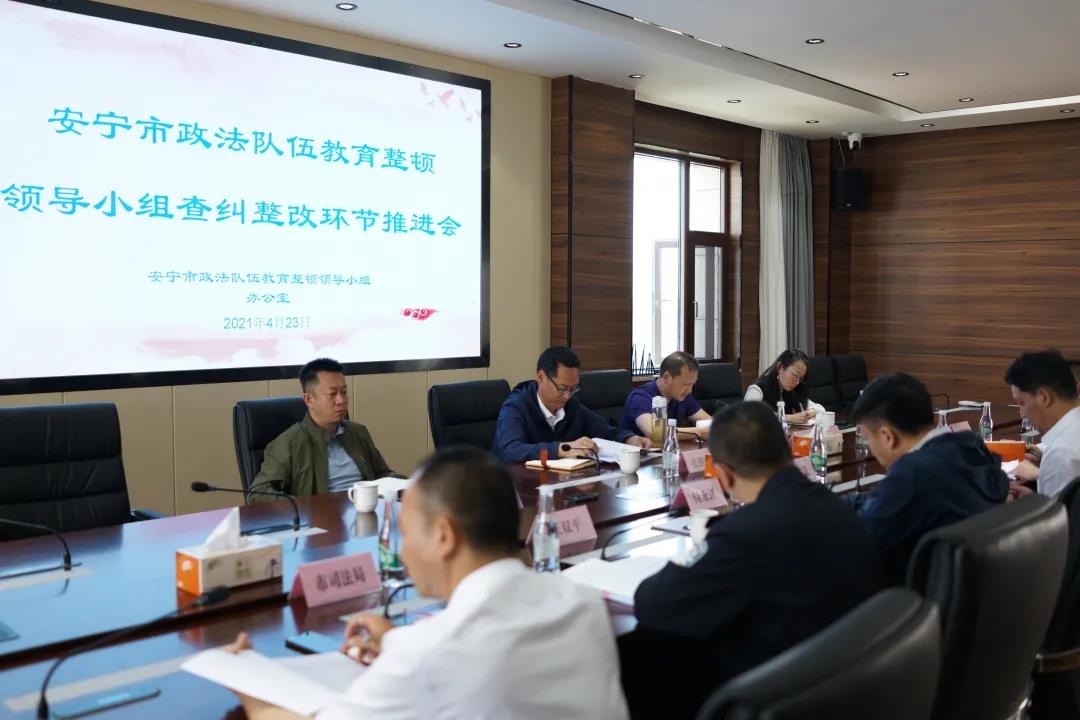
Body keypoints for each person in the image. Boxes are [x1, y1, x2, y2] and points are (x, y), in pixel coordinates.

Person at [226, 448, 629, 719]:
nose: (402, 552)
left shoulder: (427, 654)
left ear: (443, 536)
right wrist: (396, 641)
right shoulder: (582, 604)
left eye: (405, 533)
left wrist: (250, 689)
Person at [622, 402, 883, 719]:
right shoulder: (837, 506)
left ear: (722, 475)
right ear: (788, 449)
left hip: (779, 697)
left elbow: (654, 604)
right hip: (849, 685)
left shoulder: (743, 535)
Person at [847, 373, 1009, 584]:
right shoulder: (969, 447)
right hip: (983, 585)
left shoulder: (911, 475)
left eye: (868, 438)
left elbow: (862, 544)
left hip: (918, 593)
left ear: (887, 436)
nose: (870, 448)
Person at [250, 358, 399, 501]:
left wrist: (408, 485)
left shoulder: (358, 432)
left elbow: (382, 474)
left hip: (366, 510)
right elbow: (258, 493)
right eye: (332, 394)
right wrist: (301, 506)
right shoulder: (288, 444)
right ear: (309, 399)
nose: (341, 400)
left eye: (344, 392)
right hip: (320, 515)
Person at [492, 346, 650, 463]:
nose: (567, 396)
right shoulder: (516, 406)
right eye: (562, 388)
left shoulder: (571, 405)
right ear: (541, 377)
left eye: (573, 389)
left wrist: (629, 438)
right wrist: (563, 448)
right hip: (521, 488)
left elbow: (603, 430)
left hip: (561, 484)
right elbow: (511, 450)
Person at [1005, 350, 1080, 498]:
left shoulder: (1061, 454)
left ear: (1044, 397)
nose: (1022, 414)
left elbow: (1059, 513)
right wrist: (1035, 498)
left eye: (1022, 403)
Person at [618, 351, 712, 440]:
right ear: (667, 377)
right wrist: (699, 432)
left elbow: (710, 423)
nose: (690, 390)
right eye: (686, 384)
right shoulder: (640, 397)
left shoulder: (683, 396)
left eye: (692, 384)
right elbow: (655, 433)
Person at [743, 349, 823, 424]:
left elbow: (820, 409)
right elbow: (750, 414)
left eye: (801, 378)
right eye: (795, 375)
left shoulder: (793, 390)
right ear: (780, 367)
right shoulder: (758, 389)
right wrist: (788, 418)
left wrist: (809, 413)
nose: (797, 382)